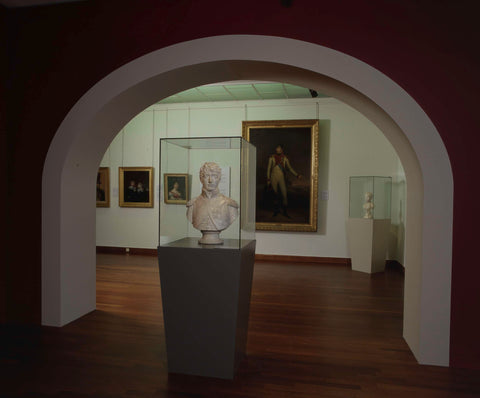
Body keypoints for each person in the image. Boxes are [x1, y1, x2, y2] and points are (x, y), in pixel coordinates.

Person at [186, 162, 239, 244]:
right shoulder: (193, 204)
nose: (210, 180)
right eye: (206, 176)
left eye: (214, 176)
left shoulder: (229, 204)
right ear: (201, 179)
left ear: (219, 178)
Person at [266, 144, 301, 217]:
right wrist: (268, 179)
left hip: (281, 178)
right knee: (275, 194)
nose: (277, 149)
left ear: (282, 149)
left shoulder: (285, 158)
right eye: (277, 148)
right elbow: (268, 169)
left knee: (284, 194)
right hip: (273, 177)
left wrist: (297, 175)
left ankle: (285, 212)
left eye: (279, 148)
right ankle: (276, 211)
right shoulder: (272, 158)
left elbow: (290, 168)